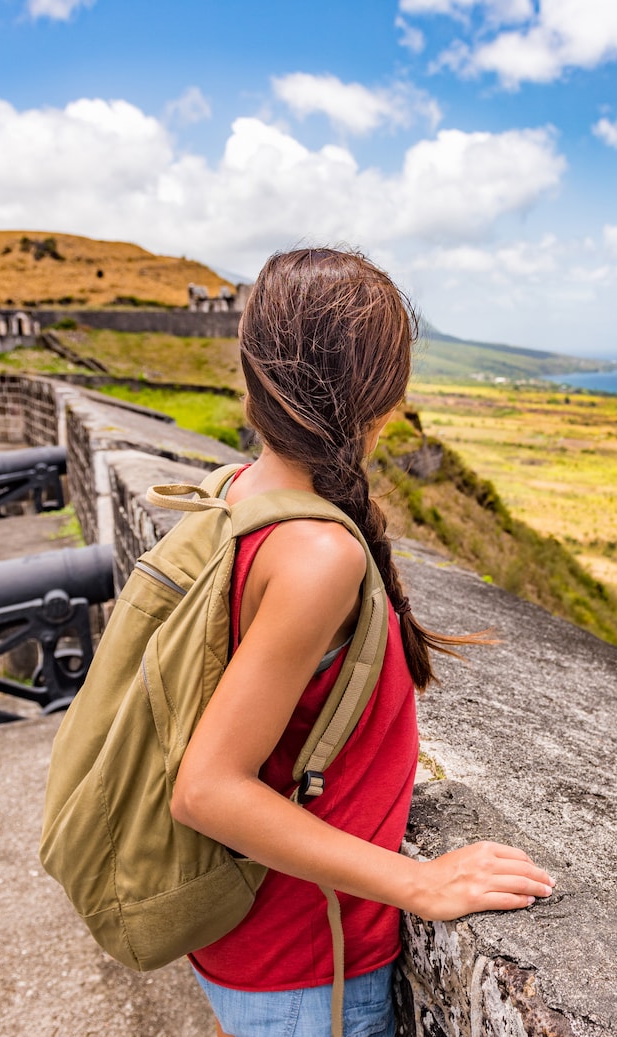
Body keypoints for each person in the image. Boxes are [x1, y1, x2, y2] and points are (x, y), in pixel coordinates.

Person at [170, 248, 553, 1037]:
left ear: (251, 379)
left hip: (252, 944)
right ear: (388, 402)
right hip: (309, 964)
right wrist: (420, 882)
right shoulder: (318, 554)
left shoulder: (241, 492)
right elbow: (206, 788)